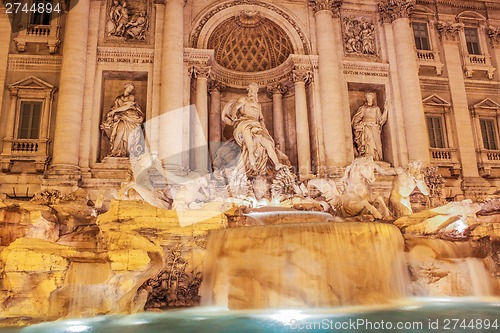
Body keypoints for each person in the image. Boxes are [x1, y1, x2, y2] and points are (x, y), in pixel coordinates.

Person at [222, 82, 286, 176]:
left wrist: (264, 130)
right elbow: (235, 107)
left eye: (255, 90)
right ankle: (252, 167)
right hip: (244, 124)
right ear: (248, 91)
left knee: (268, 143)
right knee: (250, 146)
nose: (253, 92)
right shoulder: (243, 99)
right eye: (251, 90)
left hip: (257, 126)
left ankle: (277, 164)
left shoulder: (258, 105)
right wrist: (233, 116)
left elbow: (261, 119)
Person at [101, 82, 144, 157]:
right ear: (125, 87)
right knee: (119, 132)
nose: (130, 89)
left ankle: (116, 151)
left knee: (123, 133)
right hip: (121, 118)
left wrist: (114, 111)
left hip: (130, 118)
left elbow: (127, 106)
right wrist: (110, 116)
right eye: (129, 88)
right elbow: (114, 108)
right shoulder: (118, 99)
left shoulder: (131, 97)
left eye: (132, 89)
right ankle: (115, 151)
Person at [352, 92, 388, 161]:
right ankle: (368, 157)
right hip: (366, 127)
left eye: (370, 97)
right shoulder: (363, 108)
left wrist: (385, 110)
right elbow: (357, 118)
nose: (369, 99)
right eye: (368, 97)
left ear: (372, 98)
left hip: (375, 128)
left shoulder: (376, 108)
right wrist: (358, 124)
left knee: (376, 144)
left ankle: (376, 158)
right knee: (368, 142)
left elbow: (381, 120)